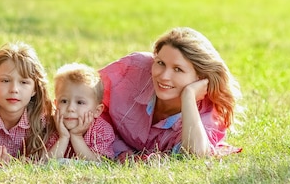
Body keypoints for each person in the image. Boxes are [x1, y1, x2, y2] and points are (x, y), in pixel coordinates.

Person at [99, 27, 242, 161]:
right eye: (160, 63)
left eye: (178, 69)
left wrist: (189, 96)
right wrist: (119, 149)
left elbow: (196, 157)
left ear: (200, 76)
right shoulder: (134, 68)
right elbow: (85, 94)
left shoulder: (207, 115)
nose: (164, 76)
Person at [0, 41, 54, 167]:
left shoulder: (42, 120)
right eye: (5, 80)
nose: (14, 89)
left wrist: (16, 167)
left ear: (35, 89)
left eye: (24, 82)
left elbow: (43, 165)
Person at [46, 63, 115, 162]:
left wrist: (76, 137)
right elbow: (44, 162)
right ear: (55, 105)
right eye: (64, 101)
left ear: (97, 111)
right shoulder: (51, 127)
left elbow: (100, 164)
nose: (71, 108)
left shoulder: (102, 130)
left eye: (80, 102)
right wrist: (63, 137)